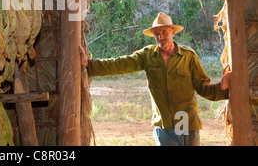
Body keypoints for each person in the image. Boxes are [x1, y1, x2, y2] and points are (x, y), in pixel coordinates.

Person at [80, 12, 231, 146]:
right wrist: (89, 64)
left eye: (164, 32)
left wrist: (222, 87)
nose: (160, 36)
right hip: (163, 125)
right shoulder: (147, 56)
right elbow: (119, 64)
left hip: (185, 121)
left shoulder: (188, 56)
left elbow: (203, 87)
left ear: (173, 32)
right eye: (156, 33)